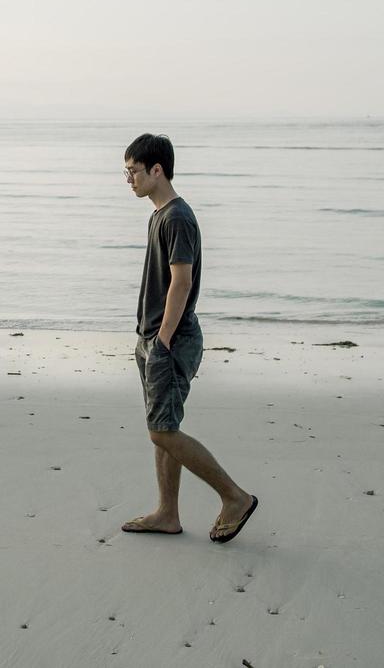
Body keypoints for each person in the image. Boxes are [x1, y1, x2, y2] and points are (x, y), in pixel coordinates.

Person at [121, 133, 258, 543]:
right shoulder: (159, 215)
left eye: (133, 171)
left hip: (171, 339)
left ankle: (235, 497)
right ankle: (167, 512)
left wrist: (162, 340)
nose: (128, 179)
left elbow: (182, 282)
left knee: (162, 431)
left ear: (156, 170)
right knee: (162, 424)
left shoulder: (177, 217)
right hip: (155, 337)